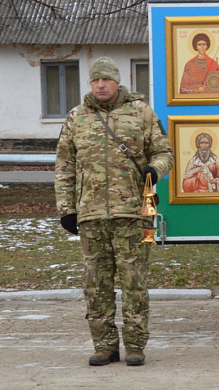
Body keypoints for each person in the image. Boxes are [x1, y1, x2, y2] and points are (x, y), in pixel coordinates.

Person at [55, 57, 174, 367]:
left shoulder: (141, 113)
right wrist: (67, 210)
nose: (100, 85)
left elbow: (164, 152)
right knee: (96, 285)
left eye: (106, 80)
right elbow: (64, 167)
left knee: (134, 282)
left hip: (134, 214)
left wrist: (154, 170)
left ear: (117, 82)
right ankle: (104, 346)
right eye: (95, 80)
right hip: (91, 216)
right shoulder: (76, 118)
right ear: (90, 84)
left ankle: (135, 346)